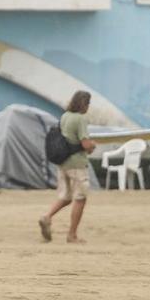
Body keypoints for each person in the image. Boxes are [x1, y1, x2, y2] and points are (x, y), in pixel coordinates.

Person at [38, 89, 96, 244]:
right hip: (77, 164)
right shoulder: (80, 119)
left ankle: (47, 216)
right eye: (88, 103)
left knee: (65, 196)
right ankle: (72, 234)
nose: (88, 106)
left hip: (63, 163)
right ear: (84, 104)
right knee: (80, 198)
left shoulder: (65, 116)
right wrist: (92, 146)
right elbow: (84, 144)